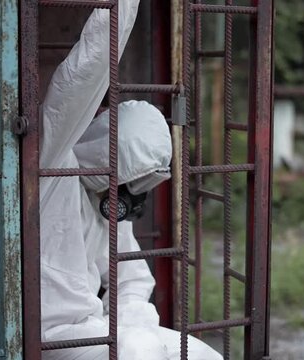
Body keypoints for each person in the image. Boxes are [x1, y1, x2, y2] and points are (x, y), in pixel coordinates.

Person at [39, 1, 222, 359]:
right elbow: (83, 75)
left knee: (204, 355)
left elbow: (132, 278)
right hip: (50, 337)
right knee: (141, 349)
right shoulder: (55, 163)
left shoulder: (104, 195)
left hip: (100, 332)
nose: (126, 197)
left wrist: (133, 325)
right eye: (128, 182)